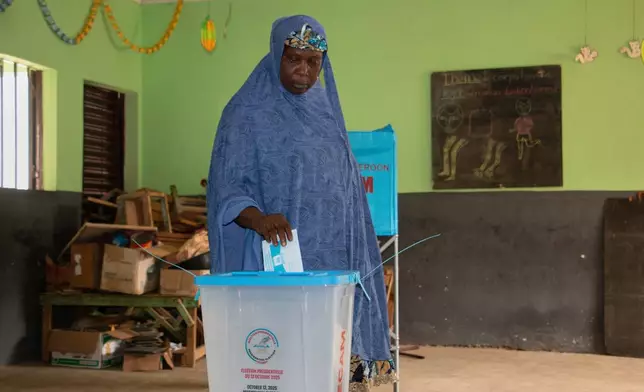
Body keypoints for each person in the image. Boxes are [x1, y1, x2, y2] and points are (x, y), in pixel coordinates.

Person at [207, 15, 395, 390]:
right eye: (294, 58)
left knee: (330, 363)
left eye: (313, 61)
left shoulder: (324, 108)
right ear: (277, 53)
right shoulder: (244, 113)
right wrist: (257, 217)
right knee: (281, 363)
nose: (304, 70)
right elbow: (226, 186)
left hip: (335, 263)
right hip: (280, 262)